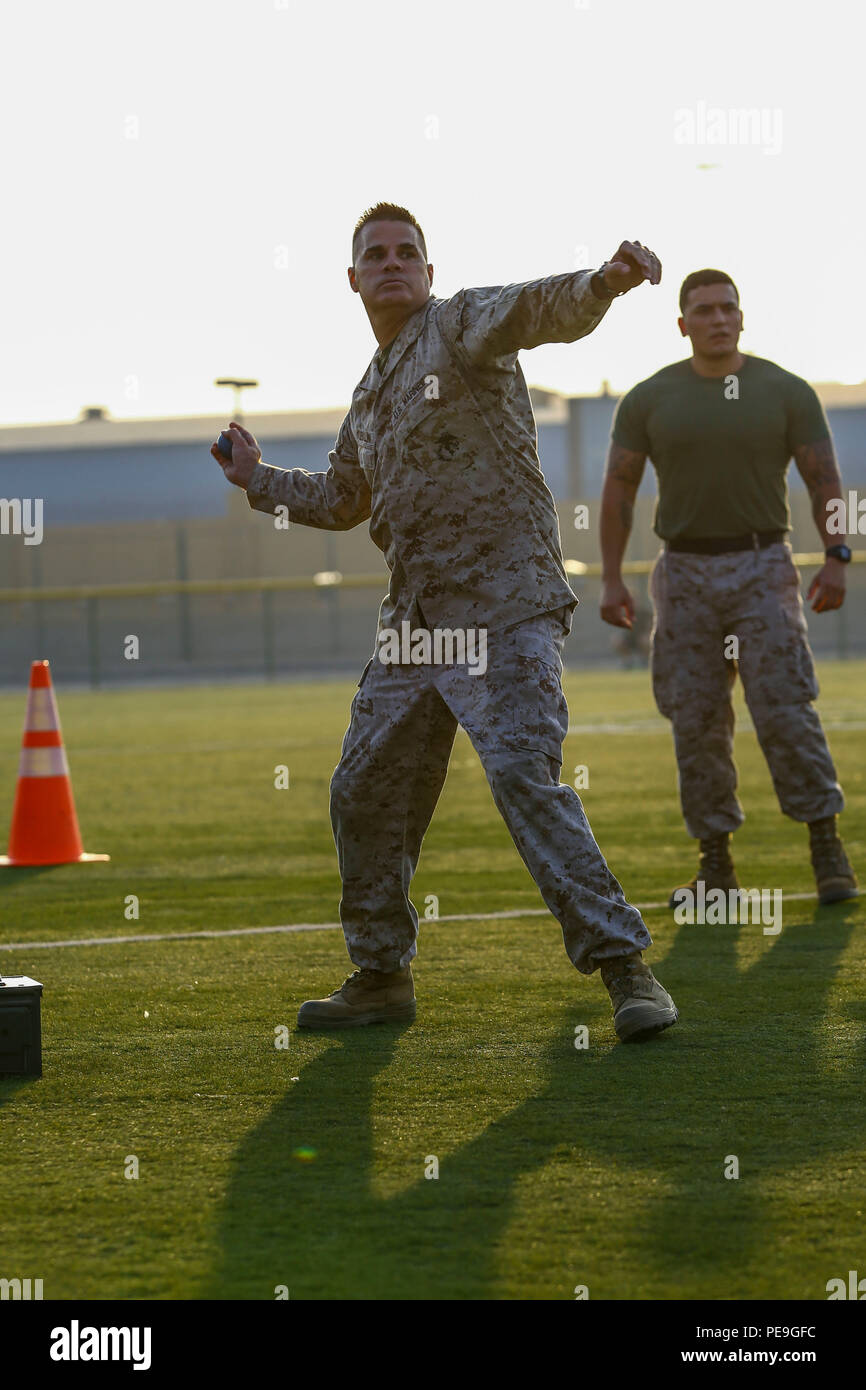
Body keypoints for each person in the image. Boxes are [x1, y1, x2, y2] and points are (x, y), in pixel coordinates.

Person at [212, 202, 677, 1043]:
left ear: (427, 270)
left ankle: (626, 970)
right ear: (353, 279)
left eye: (407, 254)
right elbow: (345, 499)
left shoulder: (458, 326)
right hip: (417, 624)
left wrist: (602, 283)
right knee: (362, 791)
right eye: (375, 256)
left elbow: (535, 309)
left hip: (504, 605)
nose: (392, 265)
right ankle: (381, 976)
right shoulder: (369, 394)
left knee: (521, 777)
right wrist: (258, 477)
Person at [599, 268, 857, 908]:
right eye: (704, 310)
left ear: (742, 318)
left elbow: (825, 480)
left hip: (762, 566)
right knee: (696, 720)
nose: (718, 319)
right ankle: (716, 865)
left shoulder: (785, 391)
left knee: (785, 707)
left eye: (727, 308)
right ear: (682, 323)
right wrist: (609, 577)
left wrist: (838, 557)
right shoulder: (650, 399)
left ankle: (826, 847)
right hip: (683, 574)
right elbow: (619, 490)